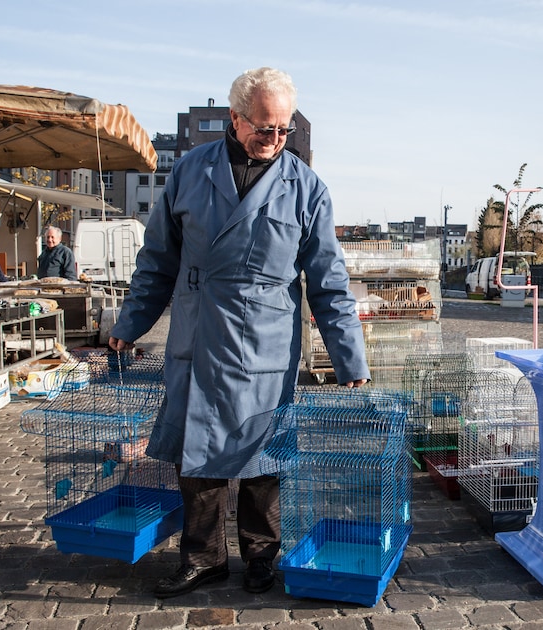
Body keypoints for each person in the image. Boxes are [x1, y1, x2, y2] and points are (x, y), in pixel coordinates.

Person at [107, 67, 370, 599]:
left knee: (262, 459)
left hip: (266, 341)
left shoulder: (306, 187)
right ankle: (202, 558)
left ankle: (260, 559)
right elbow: (157, 259)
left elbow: (328, 282)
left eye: (283, 129)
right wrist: (130, 324)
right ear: (235, 118)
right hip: (200, 330)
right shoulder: (189, 171)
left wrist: (351, 360)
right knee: (197, 456)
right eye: (263, 128)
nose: (273, 140)